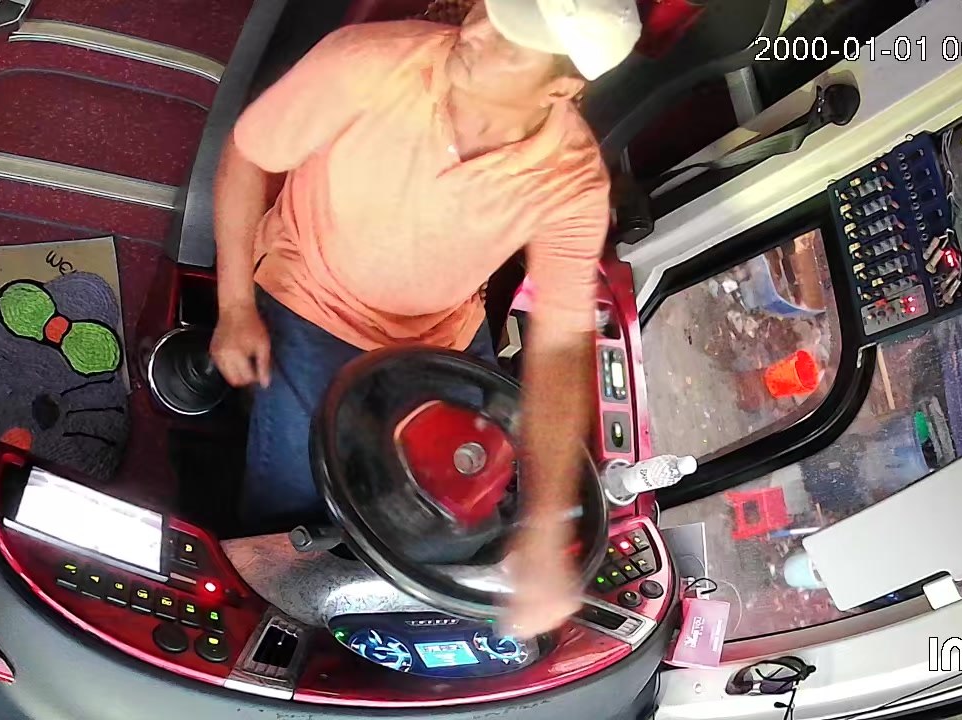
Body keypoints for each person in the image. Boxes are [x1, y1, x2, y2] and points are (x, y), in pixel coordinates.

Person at [210, 0, 642, 635]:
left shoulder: (571, 182)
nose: (475, 31)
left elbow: (558, 344)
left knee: (470, 510)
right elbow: (248, 155)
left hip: (444, 331)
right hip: (312, 293)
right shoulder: (365, 62)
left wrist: (547, 529)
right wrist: (234, 307)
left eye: (510, 41)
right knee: (287, 516)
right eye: (490, 10)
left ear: (561, 88)